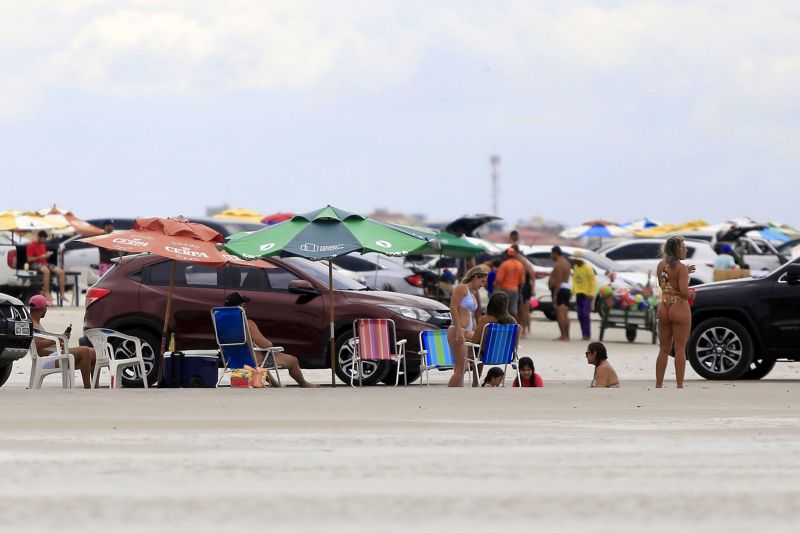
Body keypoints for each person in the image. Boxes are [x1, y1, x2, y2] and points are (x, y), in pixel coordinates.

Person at [224, 292, 319, 388]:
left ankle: (275, 384)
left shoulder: (222, 326)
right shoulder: (248, 323)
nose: (246, 308)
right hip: (252, 361)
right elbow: (265, 345)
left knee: (260, 359)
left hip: (232, 360)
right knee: (292, 360)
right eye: (244, 305)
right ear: (242, 307)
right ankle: (304, 384)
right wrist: (269, 343)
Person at [29, 295, 97, 388]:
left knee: (93, 352)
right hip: (46, 359)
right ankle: (88, 387)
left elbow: (43, 342)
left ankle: (95, 386)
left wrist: (59, 343)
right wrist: (59, 339)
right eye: (46, 307)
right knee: (84, 351)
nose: (46, 309)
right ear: (42, 308)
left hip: (54, 354)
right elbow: (36, 345)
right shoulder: (32, 324)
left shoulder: (36, 323)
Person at [656, 236, 694, 389]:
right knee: (680, 348)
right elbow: (684, 292)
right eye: (683, 247)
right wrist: (692, 294)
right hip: (679, 306)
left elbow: (662, 284)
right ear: (676, 250)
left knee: (664, 349)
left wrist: (686, 273)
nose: (686, 250)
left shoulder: (660, 265)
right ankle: (679, 385)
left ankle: (659, 384)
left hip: (664, 306)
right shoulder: (681, 267)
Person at [446, 266, 487, 387]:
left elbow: (471, 315)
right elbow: (453, 307)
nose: (483, 285)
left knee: (463, 367)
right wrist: (459, 329)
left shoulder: (473, 294)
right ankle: (450, 394)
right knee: (461, 367)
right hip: (457, 329)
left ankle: (457, 392)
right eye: (482, 281)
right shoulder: (462, 288)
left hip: (467, 331)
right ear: (475, 278)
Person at [26, 230, 67, 304]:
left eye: (44, 240)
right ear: (38, 237)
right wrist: (40, 257)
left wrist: (47, 255)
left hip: (44, 263)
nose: (43, 241)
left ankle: (62, 294)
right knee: (46, 271)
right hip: (34, 264)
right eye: (43, 239)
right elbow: (29, 259)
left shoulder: (43, 245)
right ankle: (47, 292)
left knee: (61, 272)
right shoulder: (31, 245)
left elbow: (44, 257)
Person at [494, 248, 525, 322]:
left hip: (504, 290)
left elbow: (498, 280)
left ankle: (504, 326)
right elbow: (522, 281)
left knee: (503, 310)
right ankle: (515, 326)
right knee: (514, 310)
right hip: (515, 290)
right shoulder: (520, 265)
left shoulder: (504, 264)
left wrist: (495, 290)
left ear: (507, 255)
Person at [571, 251, 597, 340]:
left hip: (587, 294)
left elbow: (593, 282)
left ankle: (587, 334)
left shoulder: (587, 268)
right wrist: (573, 291)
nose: (574, 261)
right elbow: (574, 280)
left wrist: (592, 294)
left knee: (586, 314)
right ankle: (583, 333)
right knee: (580, 314)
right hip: (579, 294)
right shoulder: (575, 267)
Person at [549, 246, 571, 341]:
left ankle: (564, 336)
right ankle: (566, 335)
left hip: (560, 289)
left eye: (551, 253)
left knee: (560, 313)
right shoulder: (566, 262)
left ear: (556, 253)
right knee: (565, 313)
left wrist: (555, 295)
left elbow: (558, 280)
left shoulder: (559, 264)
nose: (551, 256)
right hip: (566, 288)